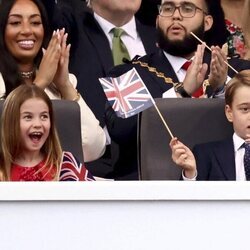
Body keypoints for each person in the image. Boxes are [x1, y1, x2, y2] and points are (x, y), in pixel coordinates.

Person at [103, 0, 250, 180]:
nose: (176, 15)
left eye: (188, 8)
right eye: (168, 8)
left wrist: (222, 89)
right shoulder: (129, 73)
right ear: (157, 20)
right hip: (147, 193)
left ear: (207, 22)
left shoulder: (238, 71)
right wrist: (181, 92)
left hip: (223, 193)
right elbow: (120, 130)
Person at [41, 0, 158, 178]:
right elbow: (47, 13)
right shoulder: (71, 28)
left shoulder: (159, 38)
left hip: (150, 172)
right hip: (87, 170)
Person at [0, 0, 106, 163]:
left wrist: (64, 85)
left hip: (55, 183)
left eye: (35, 22)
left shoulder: (57, 83)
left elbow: (94, 147)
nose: (27, 30)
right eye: (15, 22)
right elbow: (6, 143)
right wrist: (39, 85)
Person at [0, 84, 95, 181]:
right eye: (28, 117)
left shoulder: (66, 165)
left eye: (44, 116)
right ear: (11, 122)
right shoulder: (2, 169)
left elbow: (96, 195)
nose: (38, 124)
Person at [170, 69, 250, 181]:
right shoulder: (205, 154)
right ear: (229, 113)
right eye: (245, 109)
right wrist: (190, 174)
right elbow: (188, 197)